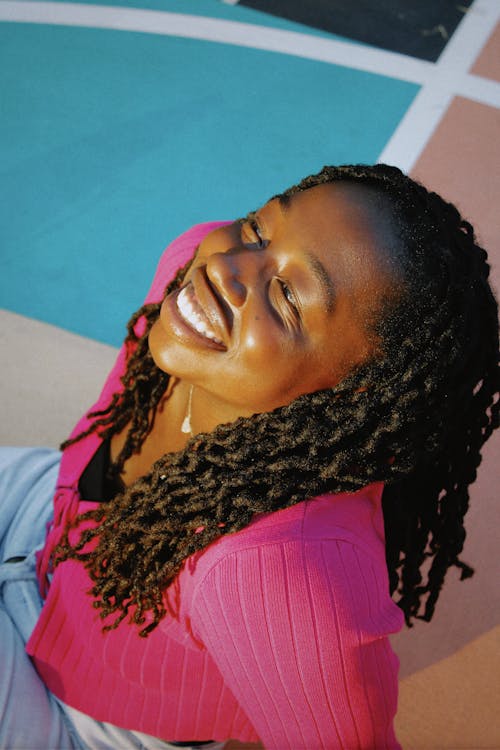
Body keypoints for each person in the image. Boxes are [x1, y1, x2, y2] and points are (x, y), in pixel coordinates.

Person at [0, 164, 498, 750]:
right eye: (259, 231)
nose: (225, 268)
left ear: (349, 394)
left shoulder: (278, 571)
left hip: (83, 716)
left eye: (287, 295)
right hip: (40, 523)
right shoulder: (193, 268)